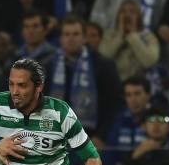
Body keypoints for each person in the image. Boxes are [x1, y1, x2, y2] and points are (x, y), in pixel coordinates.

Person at [47, 14, 123, 149]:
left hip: (91, 139)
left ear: (84, 38)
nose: (71, 39)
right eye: (66, 34)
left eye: (76, 34)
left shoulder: (103, 65)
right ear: (61, 39)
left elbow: (114, 105)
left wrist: (101, 136)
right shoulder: (48, 67)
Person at [99, 0, 160, 81]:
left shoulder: (148, 37)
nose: (127, 15)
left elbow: (149, 61)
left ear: (138, 16)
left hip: (137, 83)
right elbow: (103, 56)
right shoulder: (109, 35)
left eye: (132, 12)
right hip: (111, 82)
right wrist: (119, 36)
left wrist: (133, 36)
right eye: (123, 12)